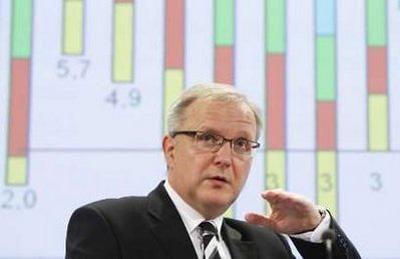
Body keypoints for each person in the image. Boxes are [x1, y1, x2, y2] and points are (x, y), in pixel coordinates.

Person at [65, 83, 360, 258]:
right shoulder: (111, 225)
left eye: (241, 143)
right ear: (171, 149)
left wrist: (314, 231)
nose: (225, 158)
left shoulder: (265, 245)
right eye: (208, 138)